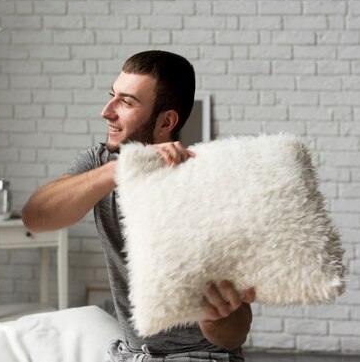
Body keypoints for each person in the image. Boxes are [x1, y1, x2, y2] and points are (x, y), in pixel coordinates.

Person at [22, 50, 255, 362]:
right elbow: (36, 217)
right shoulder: (102, 162)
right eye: (111, 96)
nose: (106, 112)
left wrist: (217, 318)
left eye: (126, 102)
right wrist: (117, 171)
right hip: (132, 355)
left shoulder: (207, 184)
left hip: (200, 356)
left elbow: (235, 334)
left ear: (166, 121)